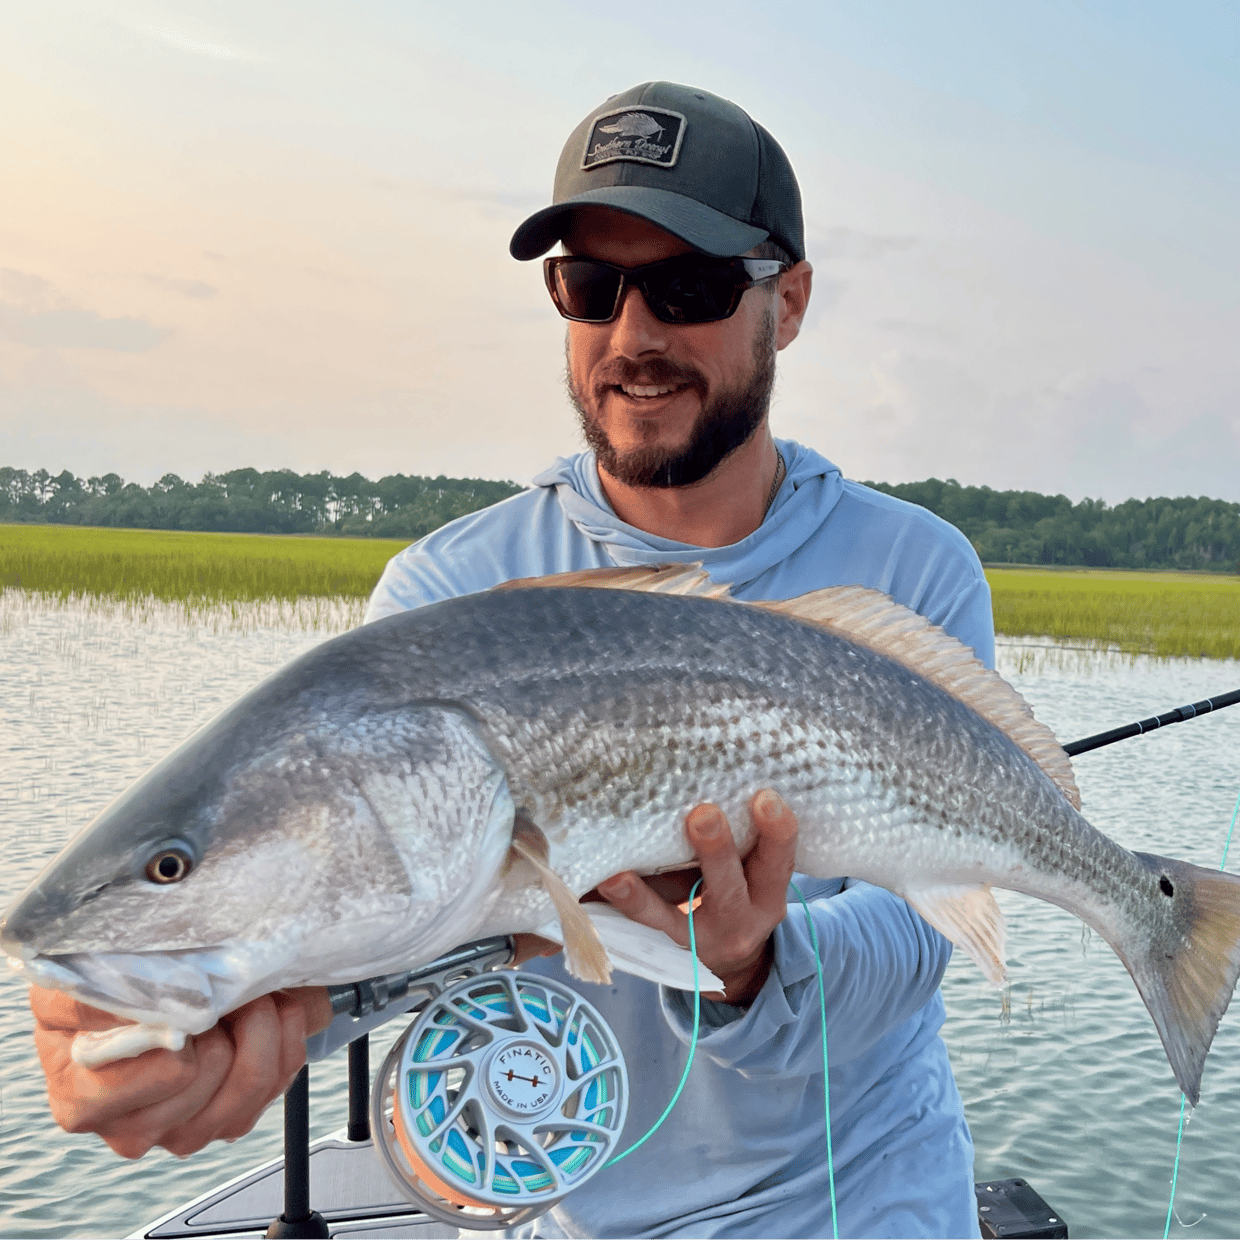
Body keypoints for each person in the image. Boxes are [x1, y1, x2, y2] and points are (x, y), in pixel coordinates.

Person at [29, 82, 990, 1237]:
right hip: (570, 1202)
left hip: (864, 1199)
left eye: (684, 286)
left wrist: (751, 966)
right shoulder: (443, 597)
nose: (632, 337)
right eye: (590, 286)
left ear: (784, 304)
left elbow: (926, 939)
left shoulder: (912, 571)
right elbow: (382, 922)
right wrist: (195, 1016)